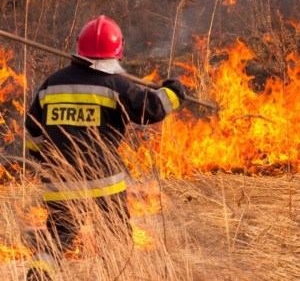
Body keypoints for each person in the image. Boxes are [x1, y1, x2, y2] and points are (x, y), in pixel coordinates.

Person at [24, 15, 185, 280]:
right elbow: (152, 110)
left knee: (56, 236)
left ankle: (39, 273)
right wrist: (173, 92)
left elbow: (32, 131)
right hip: (104, 184)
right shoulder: (117, 85)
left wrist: (44, 161)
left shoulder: (52, 84)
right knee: (115, 239)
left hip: (60, 181)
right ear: (117, 51)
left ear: (79, 48)